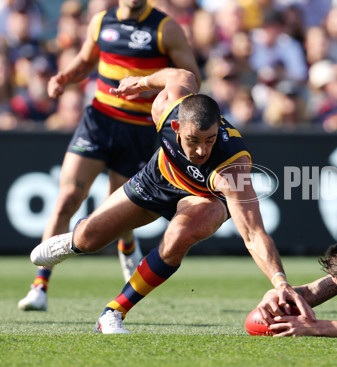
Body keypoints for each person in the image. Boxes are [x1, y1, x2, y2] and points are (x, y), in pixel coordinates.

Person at [29, 67, 314, 334]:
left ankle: (112, 312)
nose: (202, 150)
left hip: (204, 197)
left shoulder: (232, 169)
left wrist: (281, 282)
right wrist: (140, 83)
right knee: (89, 239)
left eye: (210, 140)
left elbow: (253, 233)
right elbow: (182, 74)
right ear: (176, 126)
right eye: (194, 140)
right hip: (158, 178)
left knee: (178, 236)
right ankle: (72, 242)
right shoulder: (165, 108)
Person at [18, 0, 202, 312]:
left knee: (117, 206)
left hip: (138, 129)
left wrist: (149, 91)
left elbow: (190, 79)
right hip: (99, 121)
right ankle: (40, 285)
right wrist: (64, 77)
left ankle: (126, 243)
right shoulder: (101, 21)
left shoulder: (165, 28)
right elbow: (84, 61)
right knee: (67, 197)